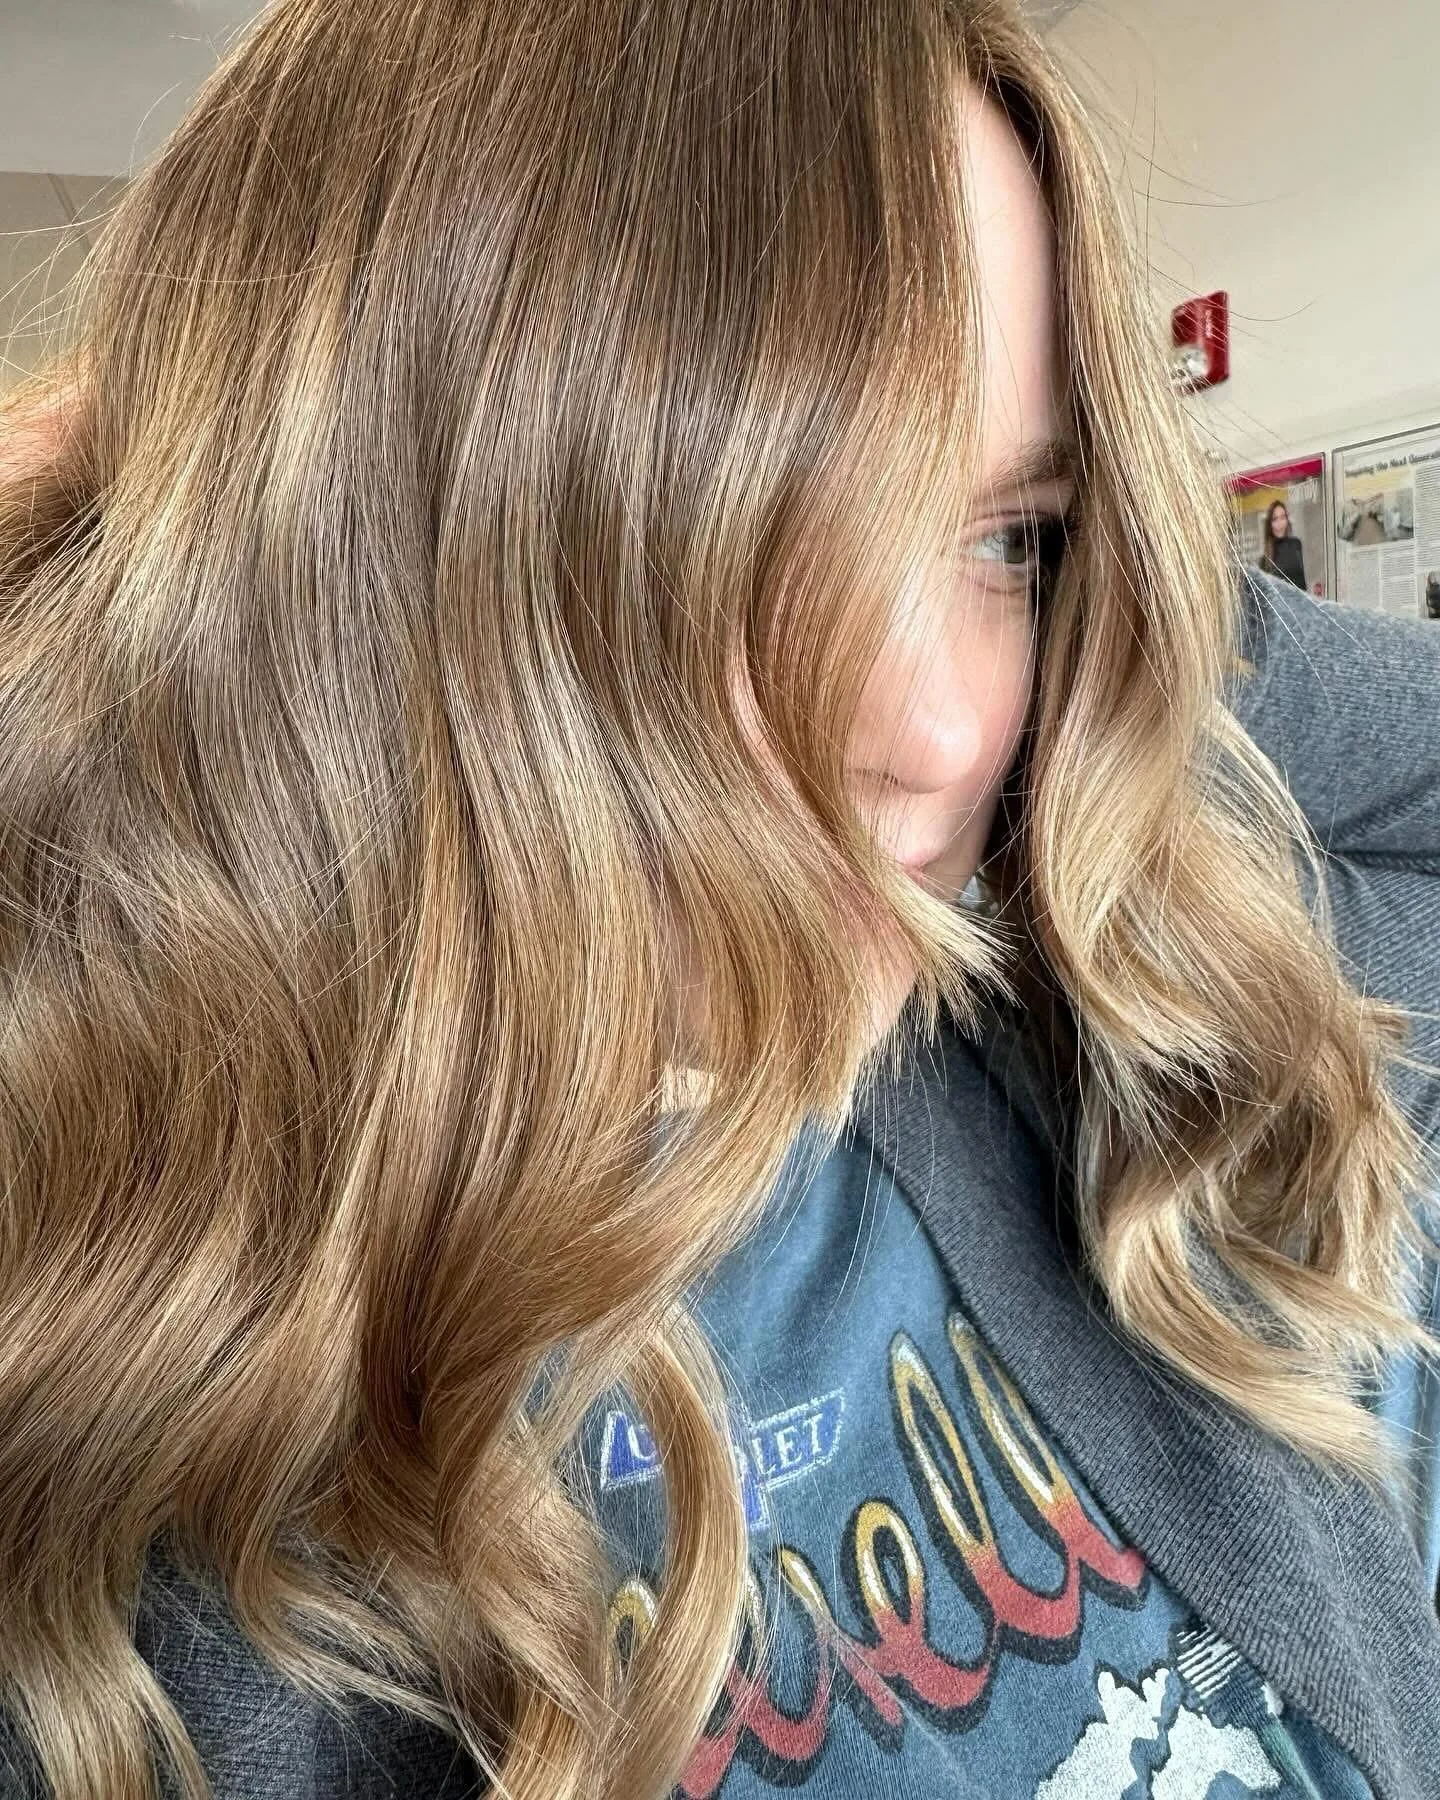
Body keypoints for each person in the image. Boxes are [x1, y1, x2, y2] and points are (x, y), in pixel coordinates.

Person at [0, 3, 1435, 1799]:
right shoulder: (133, 1402)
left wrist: (1119, 645)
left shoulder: (1062, 1001)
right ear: (351, 582)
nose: (937, 733)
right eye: (768, 553)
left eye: (1009, 538)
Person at [1260, 497, 1308, 590]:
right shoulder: (1265, 560)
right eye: (1275, 519)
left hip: (1299, 601)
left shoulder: (1296, 544)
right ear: (1270, 524)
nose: (1280, 523)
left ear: (1287, 519)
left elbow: (1302, 581)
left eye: (1283, 517)